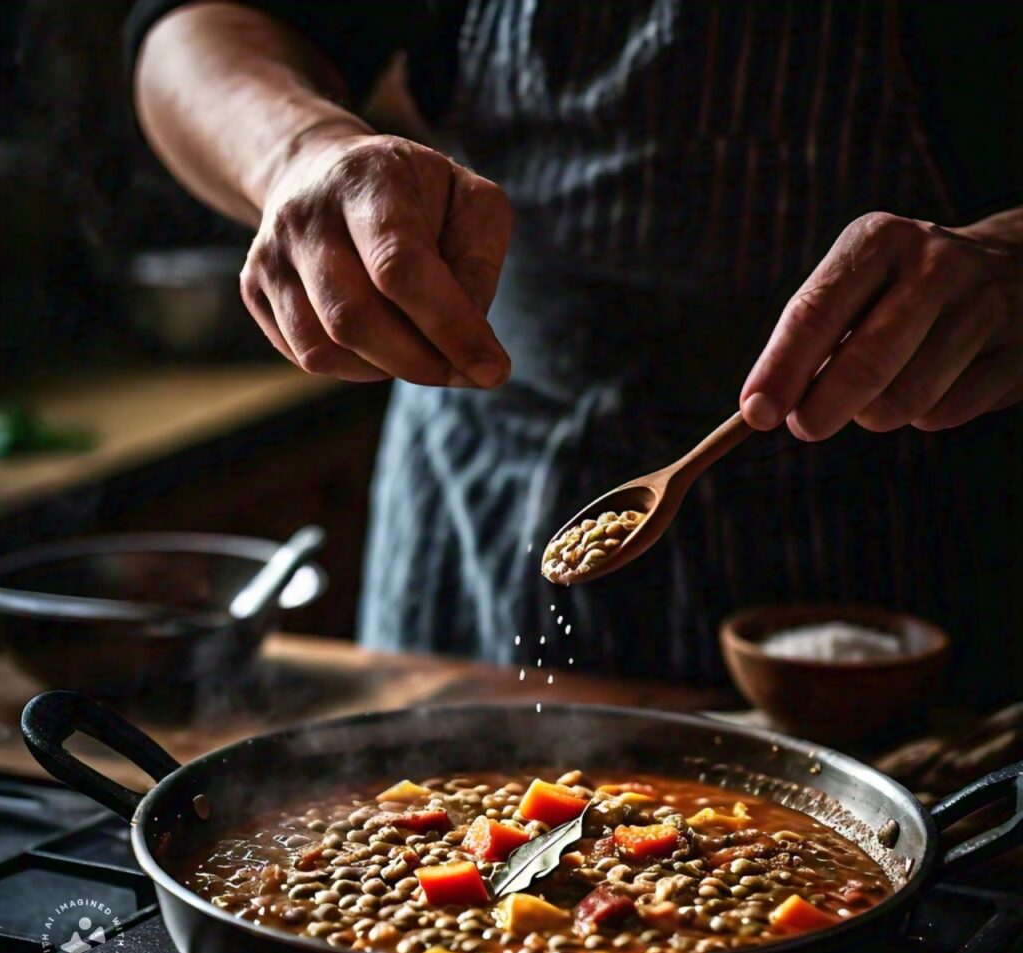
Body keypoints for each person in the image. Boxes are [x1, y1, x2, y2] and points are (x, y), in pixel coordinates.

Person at [126, 1, 1021, 705]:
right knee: (442, 847)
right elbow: (192, 27)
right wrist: (297, 150)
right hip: (487, 473)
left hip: (919, 491)